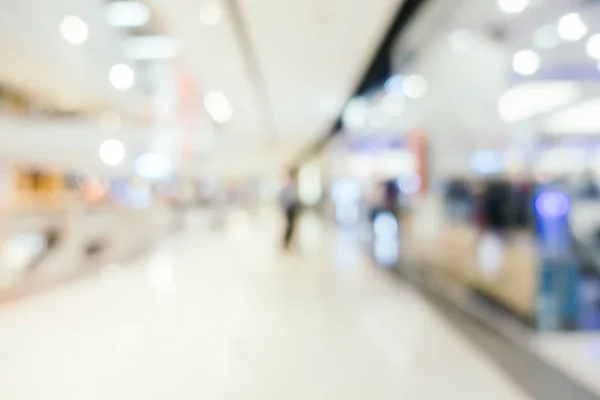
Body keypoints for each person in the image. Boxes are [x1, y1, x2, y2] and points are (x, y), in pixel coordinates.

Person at [280, 172, 299, 250]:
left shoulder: (293, 188)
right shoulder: (287, 189)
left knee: (291, 226)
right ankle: (286, 241)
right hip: (289, 210)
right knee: (289, 226)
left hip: (292, 210)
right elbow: (283, 200)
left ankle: (288, 241)